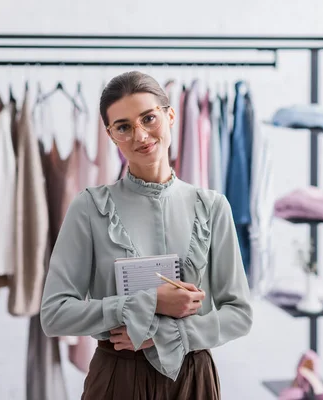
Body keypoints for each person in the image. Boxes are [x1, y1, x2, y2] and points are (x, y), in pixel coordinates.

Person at [40, 71, 253, 400]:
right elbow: (54, 314)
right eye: (124, 127)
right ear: (111, 135)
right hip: (116, 378)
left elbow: (239, 314)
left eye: (148, 118)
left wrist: (165, 333)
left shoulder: (212, 207)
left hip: (193, 379)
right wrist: (147, 303)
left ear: (170, 116)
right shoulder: (89, 208)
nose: (140, 135)